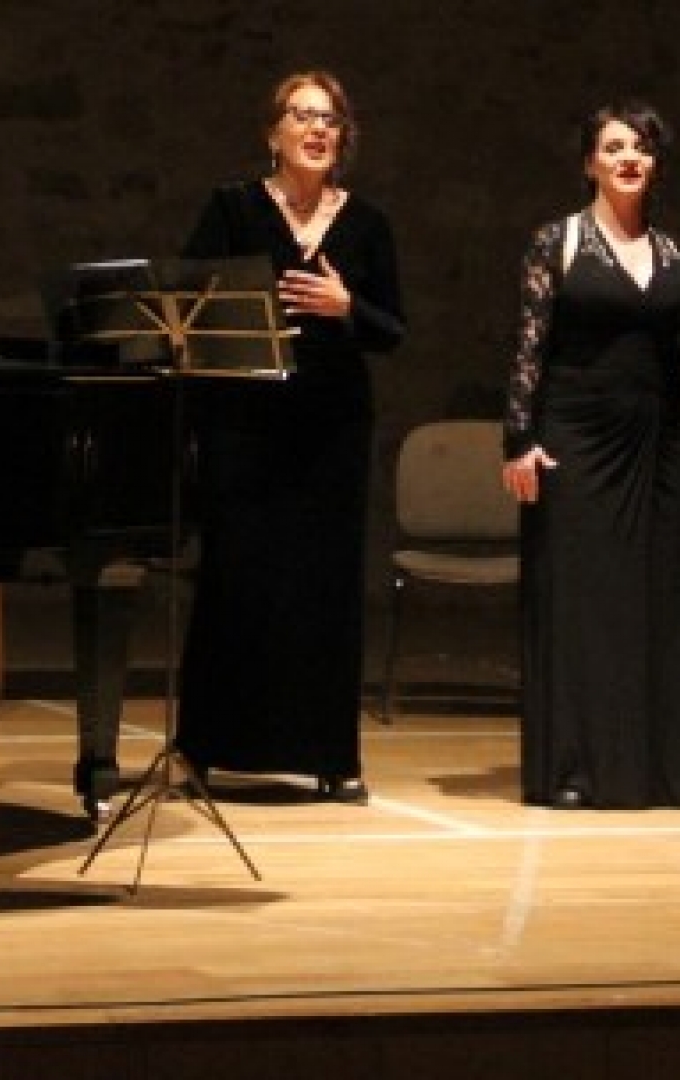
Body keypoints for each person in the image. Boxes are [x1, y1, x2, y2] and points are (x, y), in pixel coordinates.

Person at [174, 70, 407, 804]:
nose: (316, 129)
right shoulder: (233, 209)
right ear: (272, 132)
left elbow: (391, 330)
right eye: (302, 116)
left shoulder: (366, 224)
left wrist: (346, 306)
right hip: (243, 426)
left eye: (329, 119)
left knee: (325, 586)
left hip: (331, 429)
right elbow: (188, 305)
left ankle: (329, 756)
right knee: (235, 579)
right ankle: (207, 747)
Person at [501, 101, 680, 810]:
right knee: (584, 605)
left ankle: (661, 769)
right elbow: (529, 345)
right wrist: (518, 440)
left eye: (641, 148)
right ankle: (575, 768)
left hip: (657, 444)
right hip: (577, 441)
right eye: (613, 147)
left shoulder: (671, 252)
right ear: (589, 163)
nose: (629, 158)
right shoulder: (557, 242)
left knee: (657, 601)